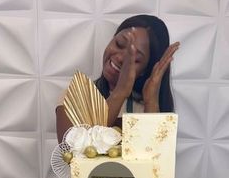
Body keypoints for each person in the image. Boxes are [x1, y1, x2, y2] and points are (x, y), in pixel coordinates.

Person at [56, 14, 180, 143]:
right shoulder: (75, 95)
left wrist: (151, 101)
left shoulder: (148, 108)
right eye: (119, 44)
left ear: (145, 70)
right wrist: (120, 92)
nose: (121, 58)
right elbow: (71, 153)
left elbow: (156, 157)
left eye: (135, 59)